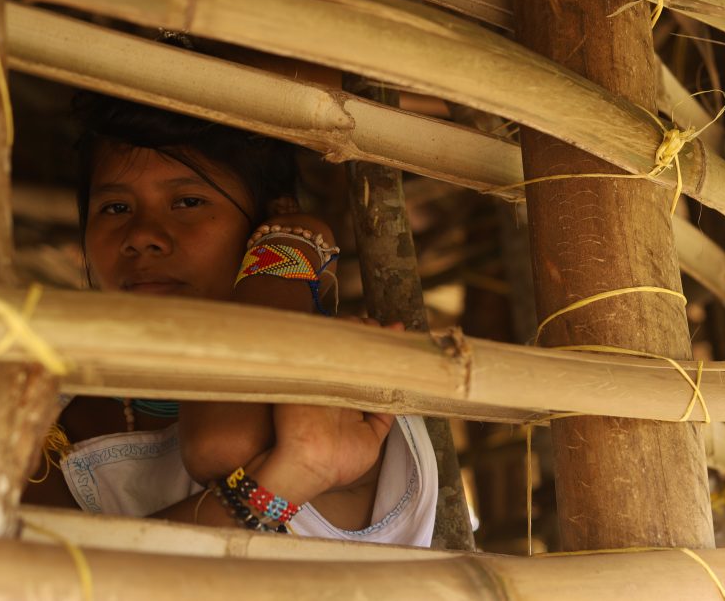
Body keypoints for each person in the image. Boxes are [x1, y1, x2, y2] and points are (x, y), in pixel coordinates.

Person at [23, 93, 437, 546]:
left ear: (271, 217)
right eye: (115, 208)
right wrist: (284, 480)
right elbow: (61, 579)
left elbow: (222, 442)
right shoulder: (48, 414)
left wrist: (285, 247)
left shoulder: (339, 390)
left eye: (187, 202)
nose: (142, 237)